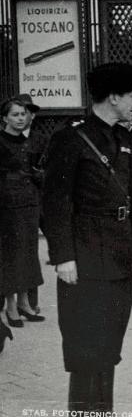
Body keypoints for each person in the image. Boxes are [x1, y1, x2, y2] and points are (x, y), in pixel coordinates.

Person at [43, 62, 132, 414]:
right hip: (85, 262)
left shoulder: (125, 140)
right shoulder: (70, 140)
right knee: (85, 351)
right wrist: (63, 257)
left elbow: (129, 199)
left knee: (108, 350)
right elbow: (55, 203)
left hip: (118, 260)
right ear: (114, 97)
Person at [0, 98, 45, 328]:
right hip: (7, 205)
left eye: (23, 114)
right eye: (15, 114)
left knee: (29, 252)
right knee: (11, 255)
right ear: (5, 118)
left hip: (29, 203)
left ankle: (25, 302)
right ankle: (10, 306)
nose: (20, 118)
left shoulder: (28, 142)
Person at [16, 93, 47, 314]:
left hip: (34, 199)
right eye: (20, 112)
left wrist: (39, 175)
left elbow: (49, 169)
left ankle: (30, 302)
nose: (25, 116)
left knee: (30, 249)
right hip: (11, 201)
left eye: (28, 112)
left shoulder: (40, 139)